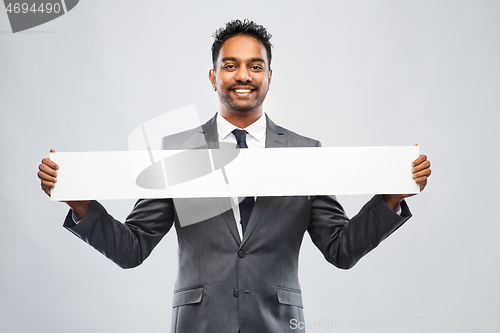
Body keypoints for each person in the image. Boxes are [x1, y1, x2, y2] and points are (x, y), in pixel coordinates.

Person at [38, 19, 431, 333]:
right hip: (199, 325)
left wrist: (390, 199)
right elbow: (132, 248)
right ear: (213, 77)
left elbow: (340, 248)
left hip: (277, 324)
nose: (243, 75)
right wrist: (82, 204)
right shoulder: (180, 152)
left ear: (269, 76)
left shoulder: (305, 153)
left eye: (255, 66)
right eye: (230, 65)